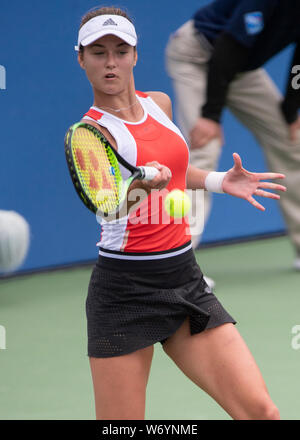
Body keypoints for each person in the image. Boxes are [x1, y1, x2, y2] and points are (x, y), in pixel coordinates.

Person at [73, 6, 286, 420]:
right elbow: (108, 206)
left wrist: (221, 180)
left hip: (184, 279)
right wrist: (137, 187)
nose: (111, 62)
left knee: (262, 412)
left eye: (121, 50)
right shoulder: (91, 133)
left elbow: (176, 170)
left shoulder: (160, 104)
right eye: (98, 52)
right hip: (124, 292)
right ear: (81, 58)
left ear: (136, 54)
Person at [165, 0, 300, 273]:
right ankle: (178, 268)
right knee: (204, 150)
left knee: (292, 143)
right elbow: (228, 45)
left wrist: (289, 113)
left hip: (239, 67)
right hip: (197, 55)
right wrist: (210, 116)